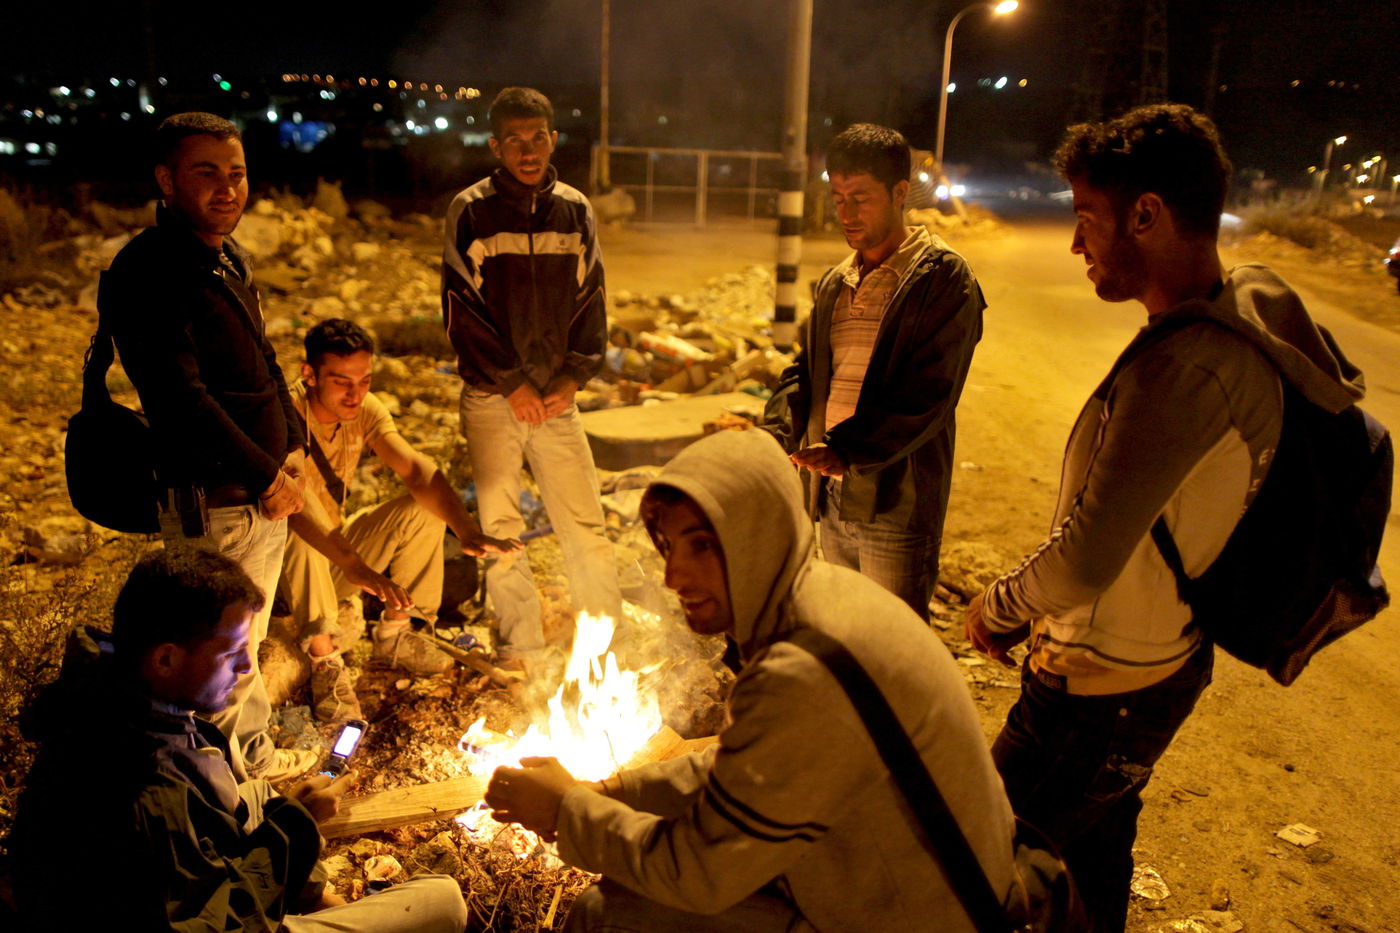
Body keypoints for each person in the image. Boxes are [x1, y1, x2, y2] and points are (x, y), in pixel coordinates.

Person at [963, 103, 1369, 933]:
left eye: (1086, 219)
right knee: (1092, 862)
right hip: (1151, 666)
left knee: (973, 863)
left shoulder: (1186, 369)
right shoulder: (1205, 331)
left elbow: (1084, 558)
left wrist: (996, 606)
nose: (1076, 244)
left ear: (1146, 214)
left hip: (1102, 690)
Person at [485, 429, 1017, 932]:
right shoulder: (824, 598)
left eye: (702, 547)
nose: (674, 578)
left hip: (914, 916)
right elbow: (744, 771)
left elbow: (699, 874)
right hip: (914, 888)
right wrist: (611, 792)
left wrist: (565, 812)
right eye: (670, 548)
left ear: (758, 535)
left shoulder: (802, 671)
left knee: (606, 913)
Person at [7, 549, 468, 933]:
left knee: (262, 796)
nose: (247, 670)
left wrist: (289, 826)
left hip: (179, 881)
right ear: (166, 658)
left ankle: (316, 902)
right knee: (442, 901)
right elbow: (215, 925)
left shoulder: (116, 691)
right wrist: (299, 827)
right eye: (230, 654)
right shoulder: (146, 792)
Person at [100, 111, 312, 783]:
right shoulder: (149, 269)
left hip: (265, 495)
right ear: (166, 180)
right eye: (207, 174)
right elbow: (179, 398)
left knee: (242, 655)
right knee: (211, 661)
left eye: (237, 173)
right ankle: (217, 797)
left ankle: (251, 764)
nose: (228, 188)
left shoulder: (225, 257)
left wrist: (297, 447)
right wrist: (263, 472)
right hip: (214, 505)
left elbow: (267, 365)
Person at [765, 123, 984, 621]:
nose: (846, 212)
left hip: (897, 503)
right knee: (845, 632)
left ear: (900, 193)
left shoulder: (942, 279)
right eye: (838, 197)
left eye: (860, 197)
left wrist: (850, 450)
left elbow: (931, 391)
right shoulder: (834, 283)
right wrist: (775, 431)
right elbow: (807, 372)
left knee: (893, 645)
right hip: (831, 498)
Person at [442, 86, 621, 662]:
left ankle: (603, 643)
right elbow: (459, 307)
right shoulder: (471, 211)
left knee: (585, 522)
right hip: (495, 399)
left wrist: (573, 377)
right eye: (514, 139)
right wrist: (511, 382)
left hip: (557, 399)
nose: (528, 149)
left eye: (537, 137)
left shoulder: (575, 209)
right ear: (496, 145)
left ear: (552, 139)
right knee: (500, 528)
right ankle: (523, 646)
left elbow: (591, 299)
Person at [279, 318, 519, 722]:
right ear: (309, 374)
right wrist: (356, 567)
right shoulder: (283, 414)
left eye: (365, 380)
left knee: (420, 508)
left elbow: (415, 470)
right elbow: (297, 502)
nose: (356, 395)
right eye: (341, 382)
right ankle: (326, 666)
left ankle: (396, 633)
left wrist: (465, 529)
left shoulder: (365, 410)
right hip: (286, 566)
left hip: (336, 556)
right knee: (301, 534)